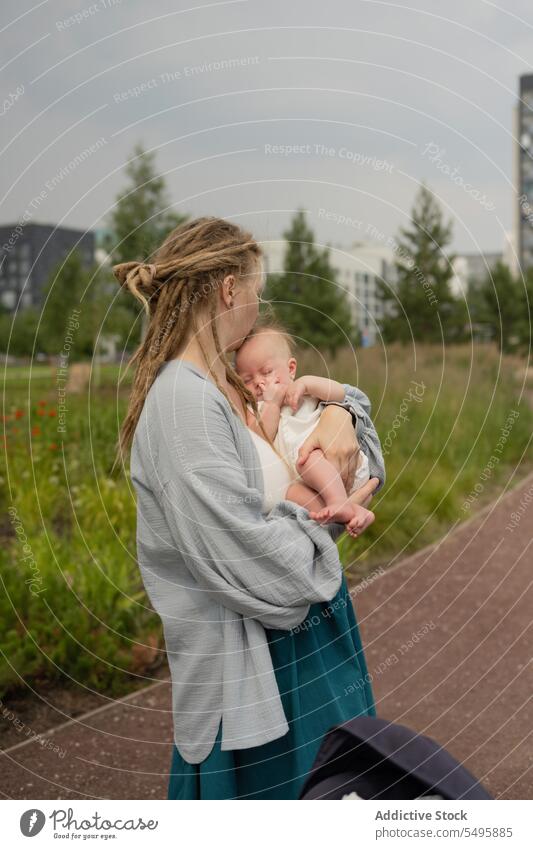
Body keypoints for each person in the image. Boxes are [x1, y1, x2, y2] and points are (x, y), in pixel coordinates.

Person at [112, 216, 386, 800]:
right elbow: (249, 559)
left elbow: (360, 460)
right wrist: (323, 525)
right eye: (255, 289)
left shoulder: (226, 389)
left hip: (299, 651)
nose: (258, 305)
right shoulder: (184, 403)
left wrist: (342, 413)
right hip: (264, 676)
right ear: (228, 289)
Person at [234, 315, 374, 537]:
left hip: (333, 460)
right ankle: (351, 512)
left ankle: (338, 501)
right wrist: (272, 402)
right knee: (291, 493)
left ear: (290, 368)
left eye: (267, 372)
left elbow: (340, 394)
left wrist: (308, 382)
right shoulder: (257, 409)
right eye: (247, 380)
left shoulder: (303, 389)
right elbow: (261, 438)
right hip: (310, 484)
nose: (259, 383)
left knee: (307, 459)